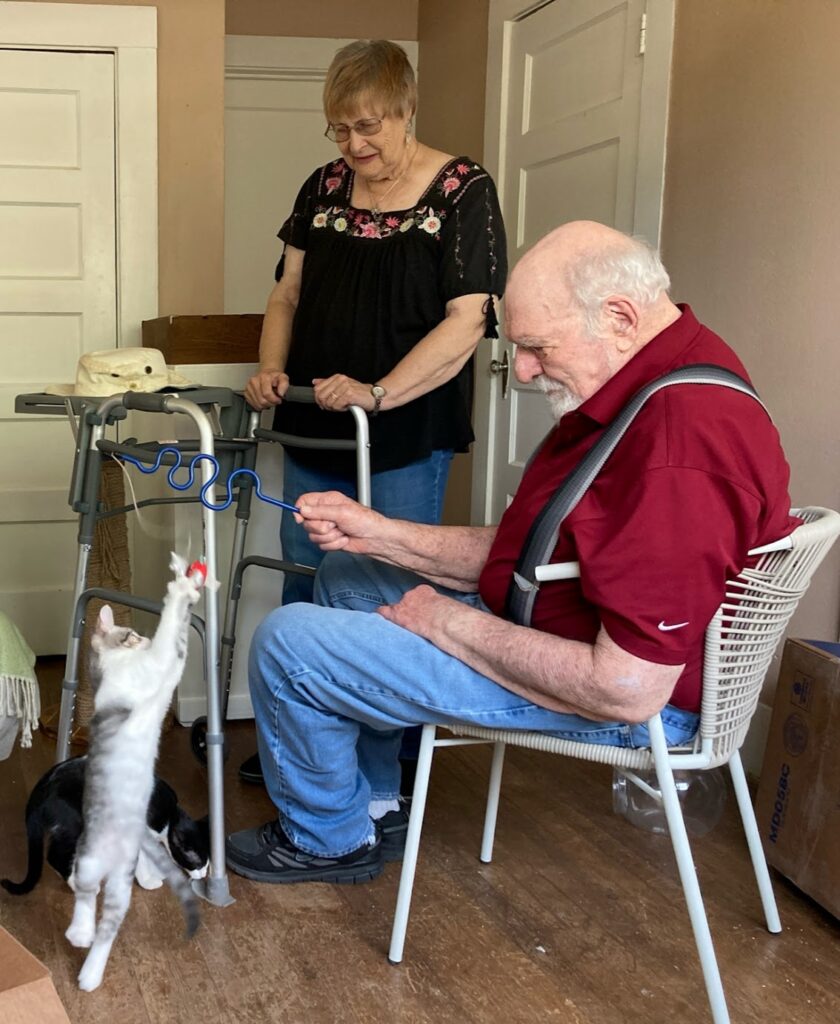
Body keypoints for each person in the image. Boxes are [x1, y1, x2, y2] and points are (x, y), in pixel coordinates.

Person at [226, 220, 796, 885]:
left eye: (536, 347)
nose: (521, 369)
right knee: (352, 572)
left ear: (617, 317)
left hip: (625, 698)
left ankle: (329, 839)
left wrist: (452, 623)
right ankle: (377, 801)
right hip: (559, 628)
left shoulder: (679, 447)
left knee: (290, 643)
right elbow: (528, 550)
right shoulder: (645, 379)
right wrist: (376, 529)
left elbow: (626, 687)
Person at [238, 38, 507, 786]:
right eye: (340, 130)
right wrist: (270, 368)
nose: (354, 146)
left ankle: (380, 774)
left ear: (407, 108)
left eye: (370, 128)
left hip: (402, 429)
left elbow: (467, 321)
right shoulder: (323, 186)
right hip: (315, 424)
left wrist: (380, 390)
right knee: (306, 584)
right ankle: (305, 754)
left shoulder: (462, 190)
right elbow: (287, 294)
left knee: (378, 593)